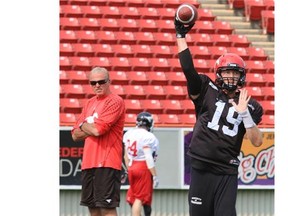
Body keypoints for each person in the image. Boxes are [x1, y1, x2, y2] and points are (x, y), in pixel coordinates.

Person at [174, 17, 263, 216]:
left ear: (242, 76)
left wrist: (245, 115)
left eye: (235, 73)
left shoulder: (250, 103)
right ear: (218, 74)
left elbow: (256, 141)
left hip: (226, 171)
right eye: (227, 72)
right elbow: (188, 70)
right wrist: (180, 35)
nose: (231, 77)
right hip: (200, 166)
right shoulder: (207, 88)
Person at [71, 67, 126, 216]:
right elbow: (75, 135)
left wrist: (83, 124)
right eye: (93, 83)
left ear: (109, 82)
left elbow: (97, 130)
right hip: (88, 162)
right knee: (93, 209)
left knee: (107, 209)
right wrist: (88, 126)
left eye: (101, 82)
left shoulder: (115, 101)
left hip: (107, 162)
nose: (97, 85)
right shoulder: (89, 103)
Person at [122, 112, 160, 216]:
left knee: (135, 197)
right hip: (143, 167)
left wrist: (128, 168)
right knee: (140, 198)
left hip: (132, 165)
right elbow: (148, 157)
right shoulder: (149, 137)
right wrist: (155, 175)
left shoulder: (129, 133)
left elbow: (126, 156)